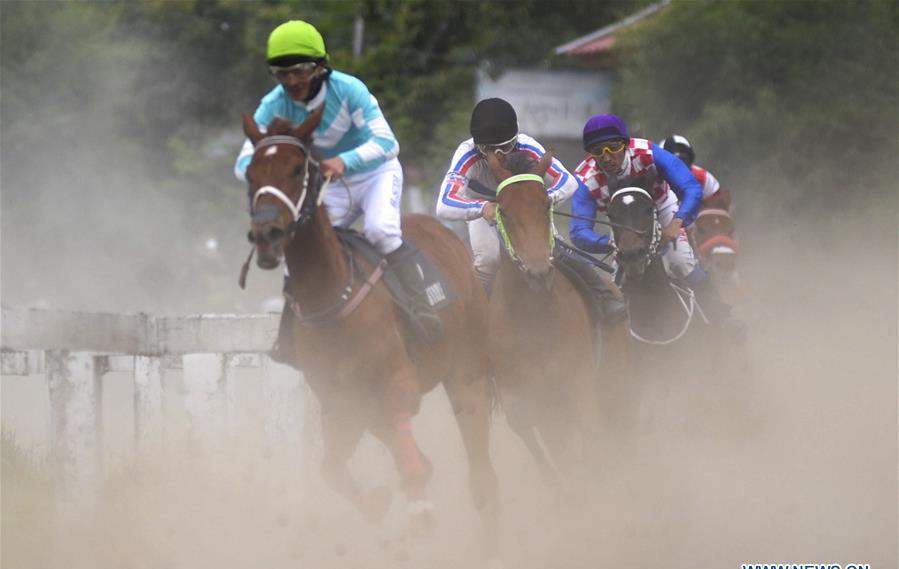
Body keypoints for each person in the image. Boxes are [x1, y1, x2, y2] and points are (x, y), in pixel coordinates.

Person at [234, 20, 441, 354]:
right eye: (281, 73)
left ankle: (422, 308)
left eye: (299, 71)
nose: (291, 82)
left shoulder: (349, 90)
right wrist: (267, 172)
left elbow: (388, 143)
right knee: (297, 247)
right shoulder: (272, 104)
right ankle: (290, 333)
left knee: (381, 231)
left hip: (375, 174)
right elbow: (243, 161)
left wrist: (345, 161)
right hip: (330, 183)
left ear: (320, 67)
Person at [435, 98, 625, 324]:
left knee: (556, 248)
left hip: (526, 203)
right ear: (477, 145)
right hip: (485, 204)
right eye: (488, 150)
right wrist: (482, 207)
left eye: (505, 148)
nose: (498, 157)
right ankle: (476, 319)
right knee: (488, 260)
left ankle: (603, 296)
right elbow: (444, 204)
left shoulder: (527, 145)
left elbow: (568, 181)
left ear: (515, 140)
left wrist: (542, 200)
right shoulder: (466, 154)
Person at [570, 114, 744, 341]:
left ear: (625, 143)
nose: (607, 157)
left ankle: (722, 317)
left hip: (661, 207)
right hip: (622, 220)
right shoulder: (584, 179)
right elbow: (578, 230)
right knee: (616, 281)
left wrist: (677, 222)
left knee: (681, 262)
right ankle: (612, 338)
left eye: (613, 147)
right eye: (597, 151)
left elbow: (690, 188)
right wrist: (609, 243)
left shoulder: (648, 153)